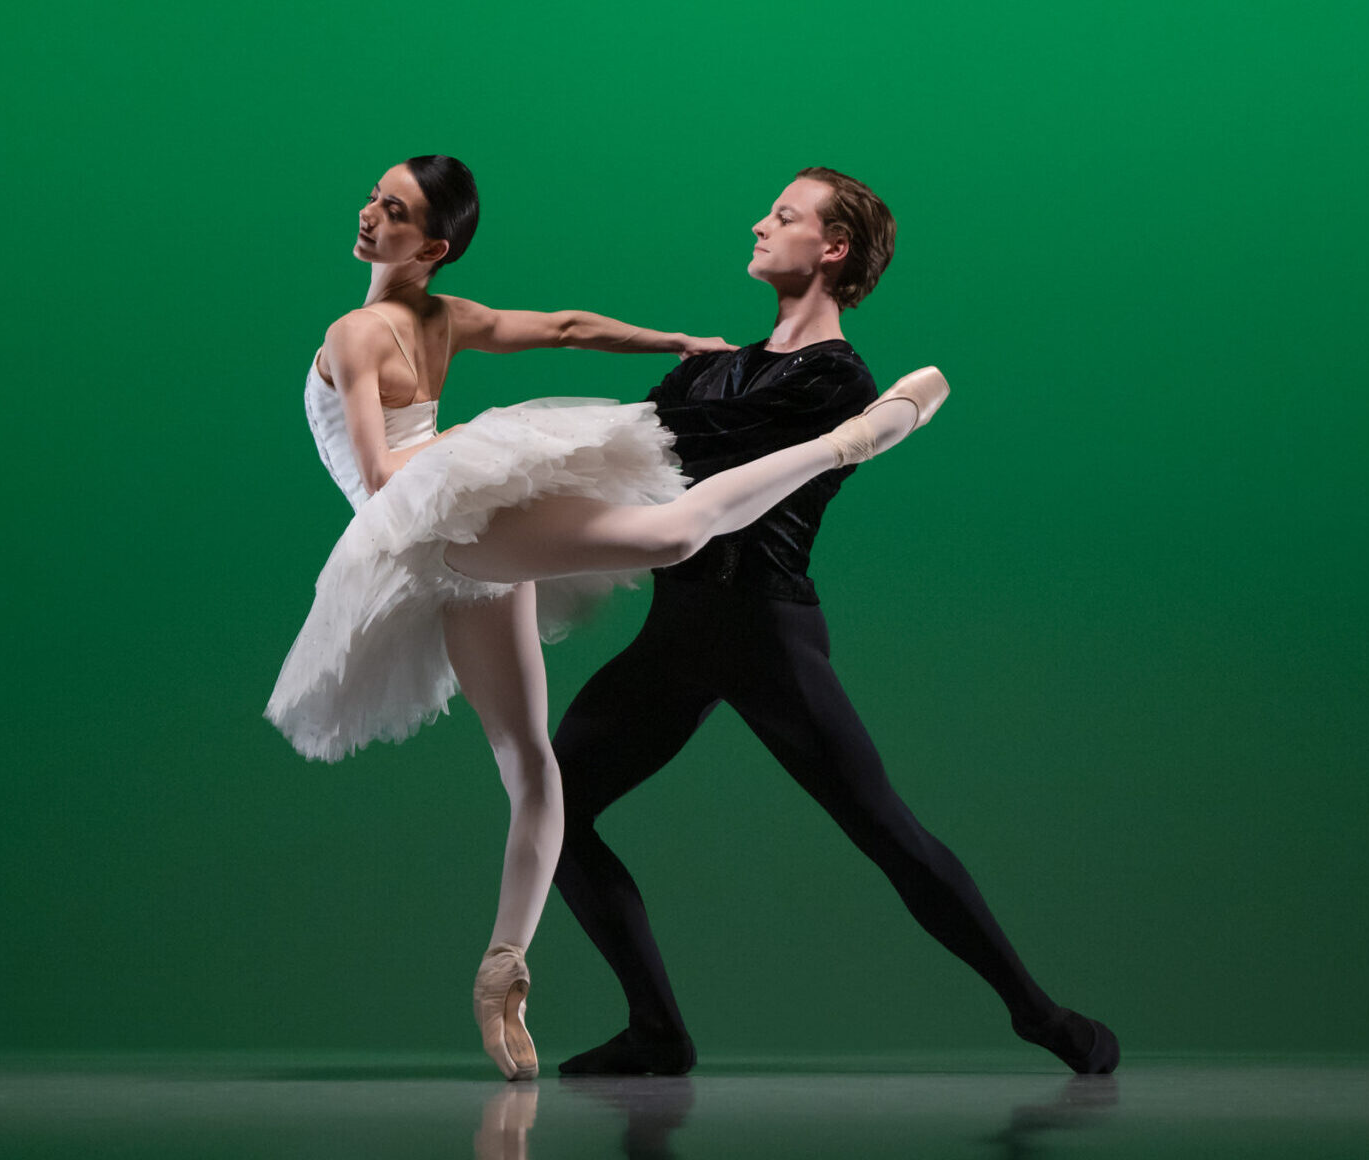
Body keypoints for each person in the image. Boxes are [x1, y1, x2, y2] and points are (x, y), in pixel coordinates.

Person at [265, 156, 948, 1081]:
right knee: (668, 538)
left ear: (431, 248)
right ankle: (850, 439)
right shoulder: (358, 334)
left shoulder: (433, 318)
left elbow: (570, 327)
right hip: (424, 525)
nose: (369, 213)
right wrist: (482, 434)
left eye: (394, 209)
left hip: (460, 524)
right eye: (375, 198)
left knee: (535, 763)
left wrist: (673, 342)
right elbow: (387, 481)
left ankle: (502, 966)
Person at [549, 167, 1121, 1077]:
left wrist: (606, 436)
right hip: (680, 631)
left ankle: (1041, 1015)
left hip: (765, 632)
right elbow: (632, 461)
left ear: (834, 248)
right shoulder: (709, 368)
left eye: (782, 216)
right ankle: (656, 1030)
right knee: (552, 810)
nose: (758, 224)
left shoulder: (836, 379)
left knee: (886, 831)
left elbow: (688, 449)